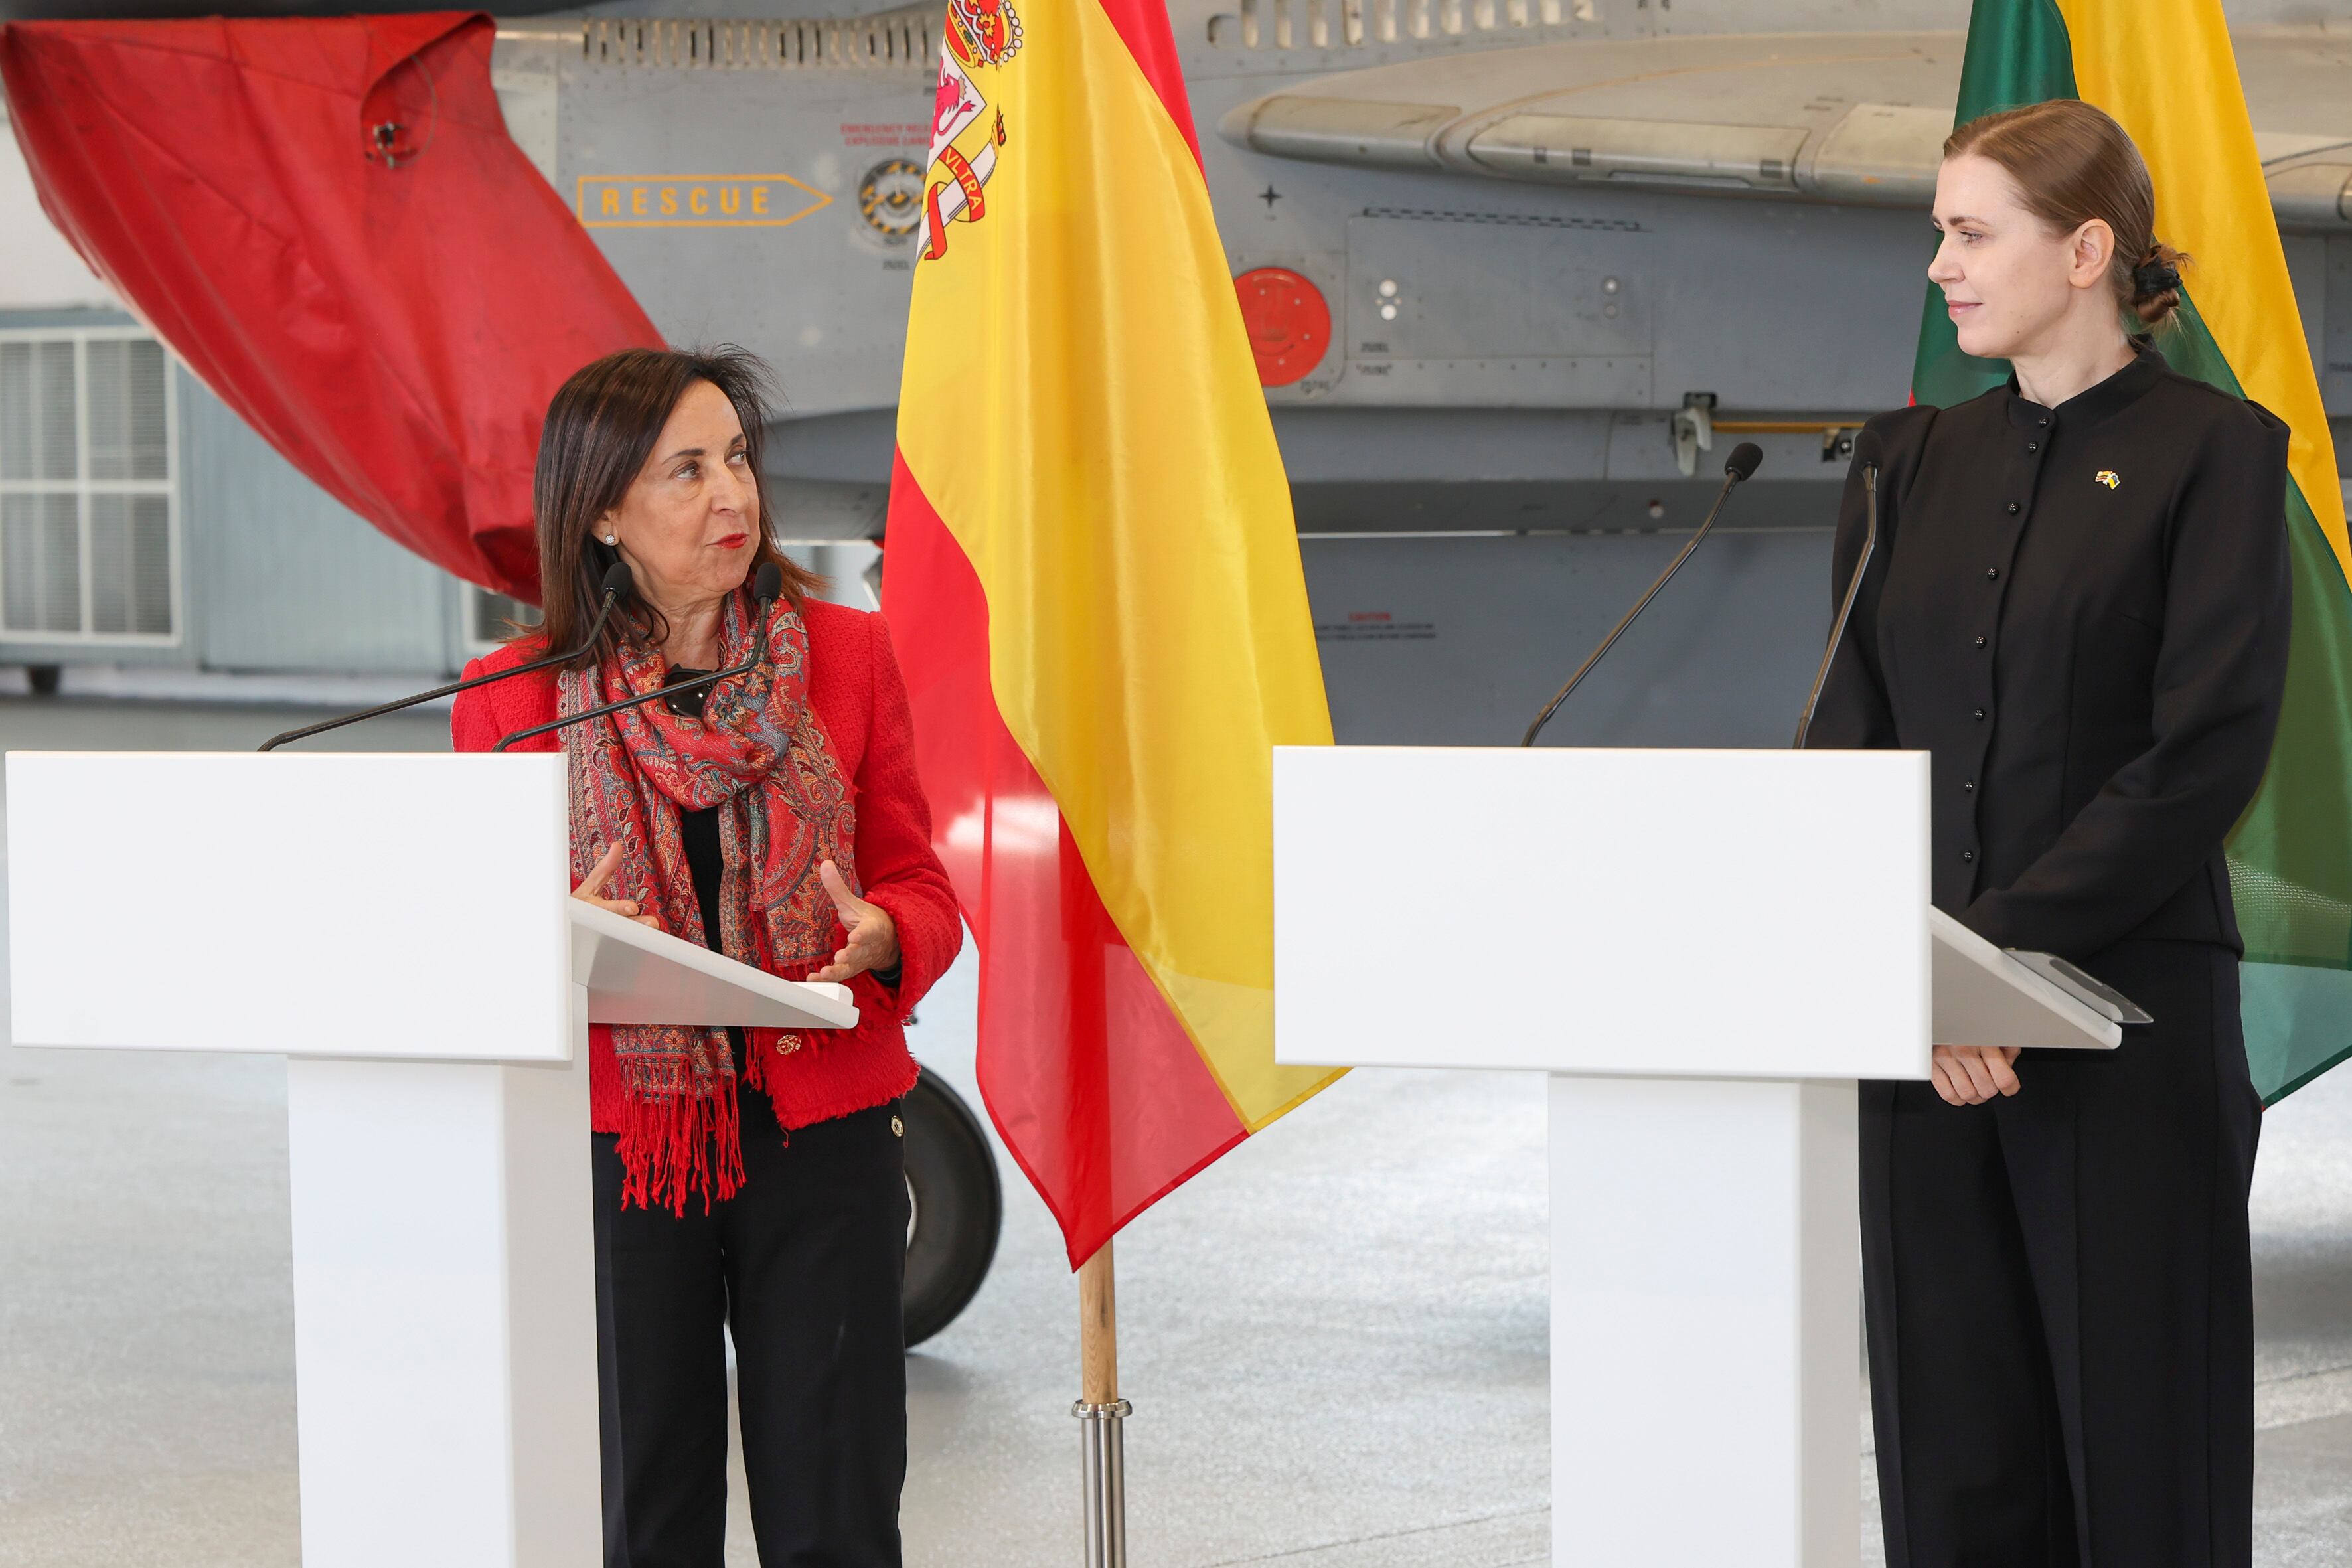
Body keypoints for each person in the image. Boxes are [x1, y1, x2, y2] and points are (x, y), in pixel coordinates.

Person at [1810, 100, 2292, 1567]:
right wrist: (1921, 980)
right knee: (1951, 1457)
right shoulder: (1898, 462)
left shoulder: (2214, 451)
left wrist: (1987, 963)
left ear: (2086, 250)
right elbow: (1845, 736)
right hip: (1920, 1049)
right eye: (1937, 235)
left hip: (2120, 1028)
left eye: (1969, 233)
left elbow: (2199, 745)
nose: (1940, 267)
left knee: (2140, 1453)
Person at [451, 345, 961, 1568]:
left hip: (822, 1137)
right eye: (687, 470)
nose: (732, 495)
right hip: (626, 1148)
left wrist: (887, 933)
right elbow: (470, 933)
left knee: (837, 1512)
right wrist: (544, 924)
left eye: (737, 458)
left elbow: (923, 885)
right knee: (648, 1511)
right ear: (607, 512)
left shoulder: (844, 656)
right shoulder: (517, 698)